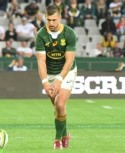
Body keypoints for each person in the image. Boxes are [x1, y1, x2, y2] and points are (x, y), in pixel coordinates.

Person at [35, 5, 77, 149]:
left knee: (60, 104)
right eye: (48, 20)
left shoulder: (69, 33)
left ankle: (58, 139)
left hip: (67, 71)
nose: (51, 23)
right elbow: (41, 61)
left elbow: (69, 60)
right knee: (58, 108)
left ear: (60, 18)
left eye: (54, 20)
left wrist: (59, 80)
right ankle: (66, 134)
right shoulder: (41, 35)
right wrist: (45, 82)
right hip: (51, 73)